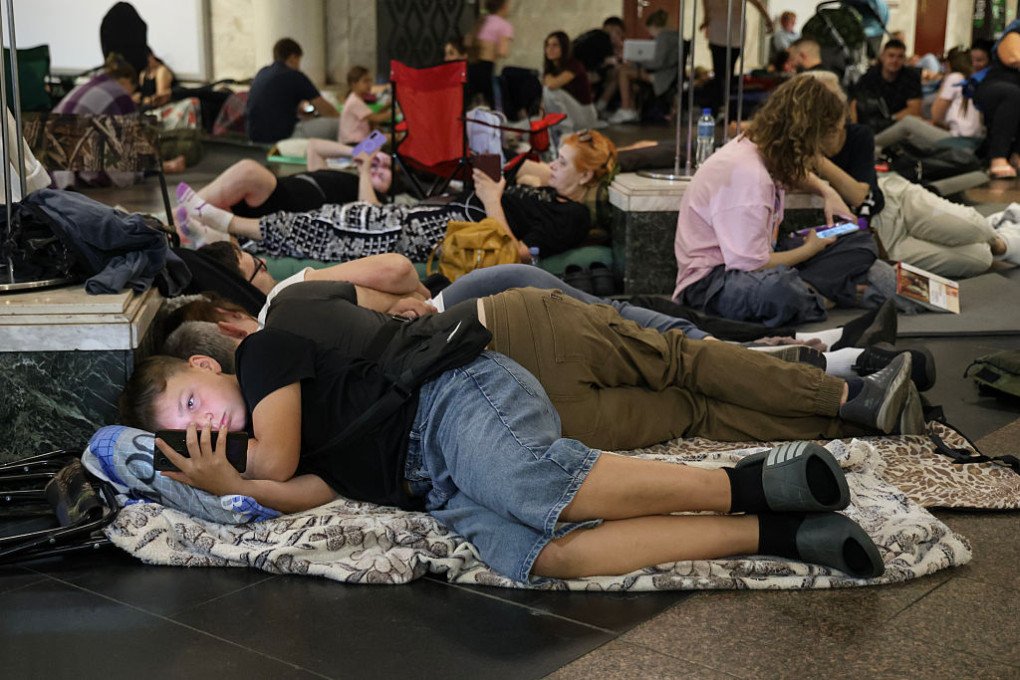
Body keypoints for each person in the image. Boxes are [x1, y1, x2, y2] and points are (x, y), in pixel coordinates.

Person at [124, 283, 895, 583]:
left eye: (192, 405)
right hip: (434, 483)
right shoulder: (271, 442)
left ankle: (753, 480)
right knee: (540, 556)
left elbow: (275, 457)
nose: (205, 425)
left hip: (452, 398)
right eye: (184, 430)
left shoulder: (265, 352)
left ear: (206, 361)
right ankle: (772, 531)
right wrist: (244, 490)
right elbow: (308, 485)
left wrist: (230, 477)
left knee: (535, 480)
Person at [175, 130, 616, 263]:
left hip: (455, 232)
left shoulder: (572, 218)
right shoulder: (546, 189)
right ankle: (222, 228)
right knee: (347, 221)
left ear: (588, 174)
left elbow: (517, 252)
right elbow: (525, 165)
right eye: (555, 158)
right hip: (434, 213)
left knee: (349, 227)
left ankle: (225, 224)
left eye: (564, 162)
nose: (553, 165)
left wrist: (495, 197)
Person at [673, 75, 893, 327]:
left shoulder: (759, 149)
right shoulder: (750, 176)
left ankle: (818, 291)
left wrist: (826, 190)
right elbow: (750, 264)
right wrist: (808, 250)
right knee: (780, 292)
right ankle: (829, 293)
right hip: (715, 280)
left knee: (860, 241)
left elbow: (791, 173)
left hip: (759, 258)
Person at [873, 46, 983, 153]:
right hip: (973, 140)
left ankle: (871, 143)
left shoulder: (954, 78)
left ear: (949, 64)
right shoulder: (973, 81)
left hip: (959, 140)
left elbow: (935, 115)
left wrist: (944, 84)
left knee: (908, 122)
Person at [245, 38, 340, 144]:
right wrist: (343, 118)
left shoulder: (262, 72)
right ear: (293, 57)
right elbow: (327, 111)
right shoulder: (295, 76)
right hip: (283, 136)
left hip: (254, 134)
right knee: (339, 125)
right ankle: (352, 153)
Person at [608, 10, 680, 124]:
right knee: (628, 72)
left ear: (655, 27)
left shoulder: (664, 37)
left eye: (650, 30)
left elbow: (658, 62)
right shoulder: (675, 36)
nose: (650, 34)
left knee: (623, 71)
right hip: (670, 74)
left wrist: (637, 62)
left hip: (662, 77)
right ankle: (630, 109)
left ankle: (626, 109)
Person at [702, 0, 774, 113]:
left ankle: (720, 104)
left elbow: (706, 4)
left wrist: (706, 20)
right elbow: (758, 3)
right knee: (727, 71)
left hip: (723, 32)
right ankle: (724, 103)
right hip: (732, 34)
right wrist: (768, 20)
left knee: (720, 72)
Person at [972, 21, 1020, 178]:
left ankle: (1016, 155)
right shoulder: (1016, 30)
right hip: (996, 87)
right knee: (1013, 94)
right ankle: (997, 159)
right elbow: (1013, 57)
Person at [849, 40, 922, 133]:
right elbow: (854, 104)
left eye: (900, 57)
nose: (895, 60)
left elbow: (915, 110)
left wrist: (890, 119)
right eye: (891, 56)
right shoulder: (870, 76)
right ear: (882, 57)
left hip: (898, 126)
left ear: (904, 59)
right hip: (869, 126)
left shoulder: (911, 77)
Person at [541, 31, 598, 137]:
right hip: (569, 113)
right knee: (528, 126)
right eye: (547, 45)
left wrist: (547, 75)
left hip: (584, 115)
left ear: (564, 47)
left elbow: (552, 85)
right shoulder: (550, 69)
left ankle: (565, 132)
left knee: (550, 91)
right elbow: (544, 101)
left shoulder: (574, 65)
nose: (550, 49)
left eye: (555, 45)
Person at [465, 0, 514, 108]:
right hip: (486, 69)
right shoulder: (504, 25)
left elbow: (468, 42)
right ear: (504, 6)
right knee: (494, 107)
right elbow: (502, 51)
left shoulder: (480, 21)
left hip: (470, 67)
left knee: (466, 106)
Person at [338, 66, 392, 146]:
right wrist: (397, 112)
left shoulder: (357, 99)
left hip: (359, 142)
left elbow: (372, 116)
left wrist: (388, 105)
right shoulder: (354, 102)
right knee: (394, 137)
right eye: (365, 81)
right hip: (355, 146)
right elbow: (376, 118)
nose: (369, 84)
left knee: (387, 135)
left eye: (370, 81)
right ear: (354, 84)